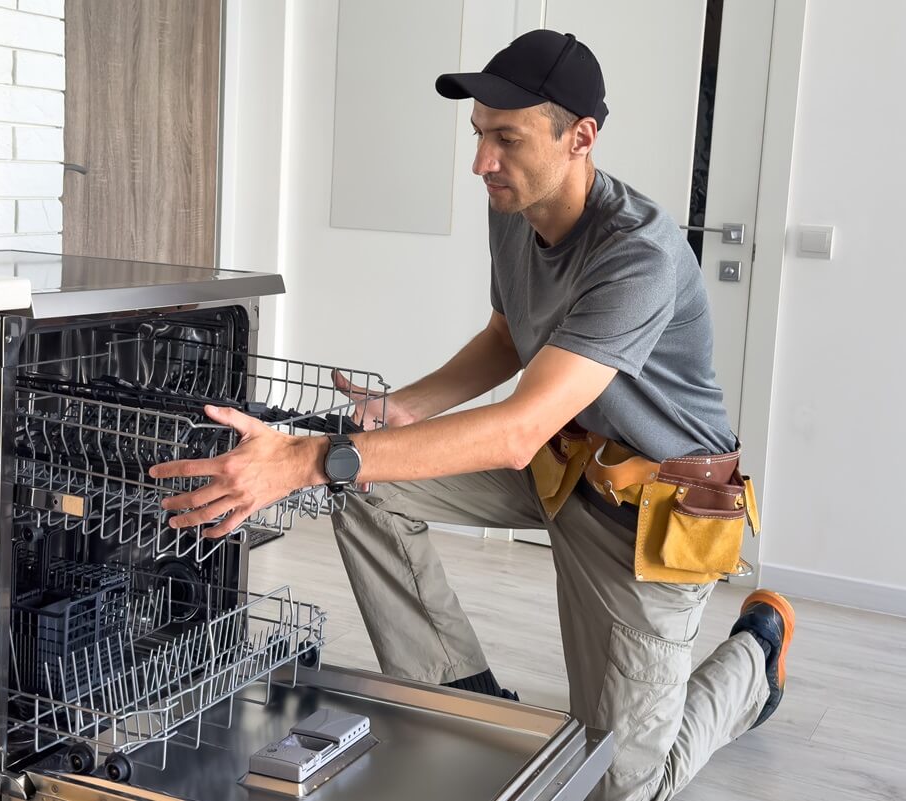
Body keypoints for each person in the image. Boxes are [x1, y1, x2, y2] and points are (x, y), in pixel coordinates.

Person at [152, 28, 795, 801]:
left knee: (625, 786)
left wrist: (301, 455)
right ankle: (469, 698)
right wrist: (404, 407)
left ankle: (755, 656)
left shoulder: (639, 254)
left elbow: (518, 426)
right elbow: (506, 334)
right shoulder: (516, 206)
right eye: (479, 135)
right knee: (362, 482)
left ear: (580, 137)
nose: (481, 163)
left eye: (506, 138)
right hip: (565, 470)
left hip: (652, 513)